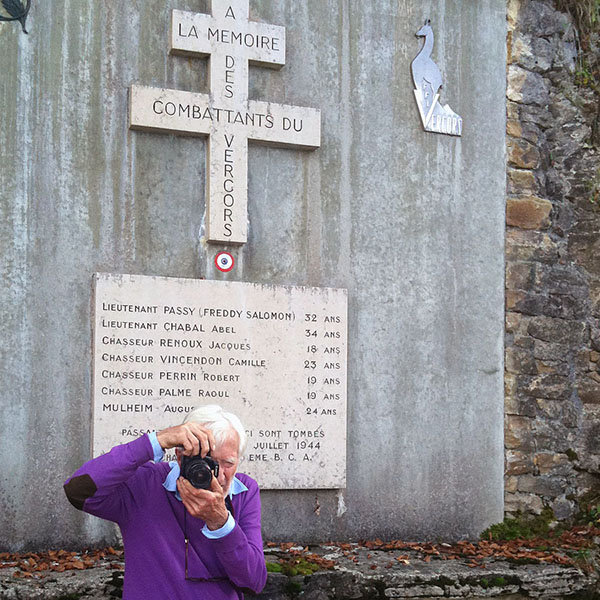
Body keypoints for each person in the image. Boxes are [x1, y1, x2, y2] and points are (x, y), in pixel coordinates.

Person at [64, 405, 267, 599]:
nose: (219, 476)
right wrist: (156, 441)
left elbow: (254, 581)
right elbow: (78, 491)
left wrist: (221, 523)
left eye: (229, 463)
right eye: (209, 462)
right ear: (180, 457)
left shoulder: (243, 492)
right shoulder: (147, 484)